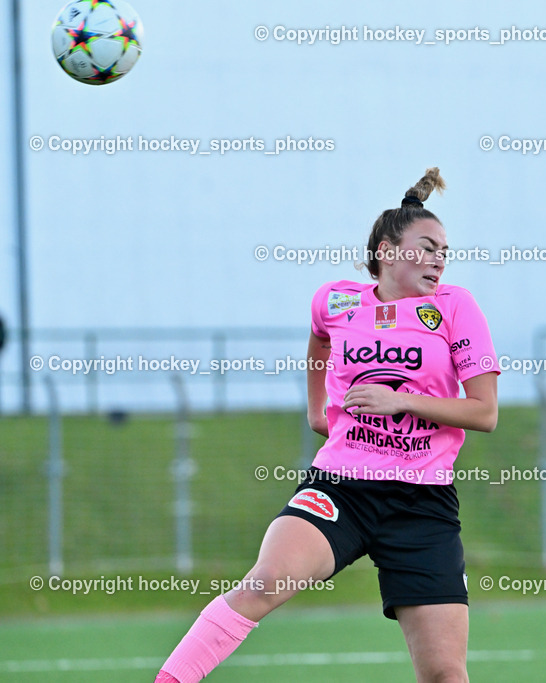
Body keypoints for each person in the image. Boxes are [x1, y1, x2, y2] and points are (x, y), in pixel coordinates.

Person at [154, 167, 500, 683]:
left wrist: (400, 403)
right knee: (263, 583)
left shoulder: (455, 307)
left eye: (444, 251)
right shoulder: (337, 300)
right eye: (426, 247)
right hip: (341, 489)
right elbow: (319, 339)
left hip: (421, 504)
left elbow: (484, 413)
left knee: (445, 675)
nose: (438, 259)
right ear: (387, 250)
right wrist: (319, 411)